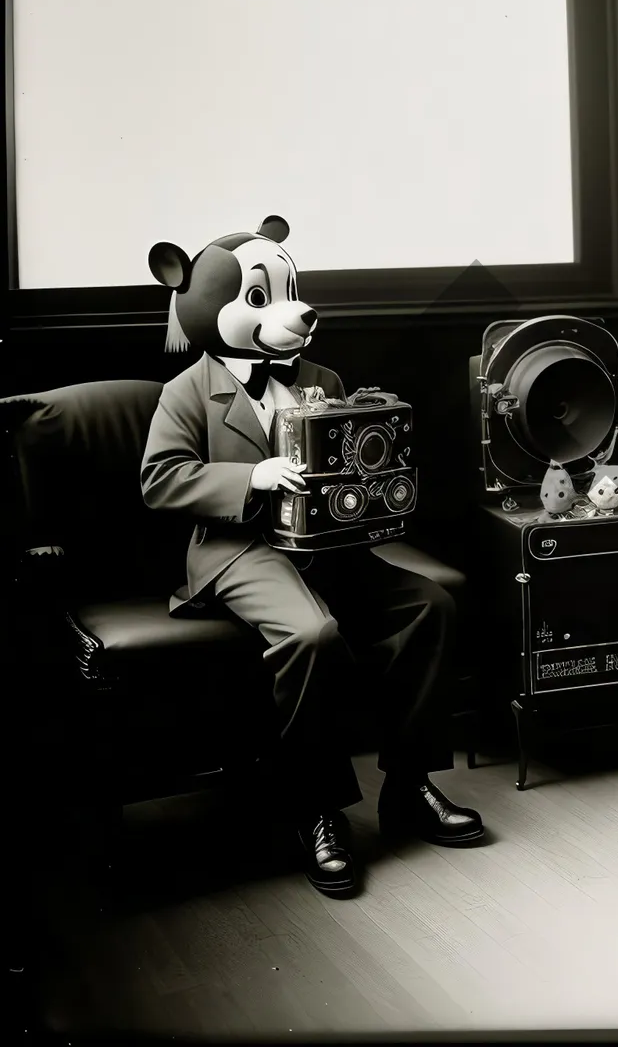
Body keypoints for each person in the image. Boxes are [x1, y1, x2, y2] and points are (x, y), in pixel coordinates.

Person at [140, 217, 485, 899]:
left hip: (328, 548)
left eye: (290, 292)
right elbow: (160, 479)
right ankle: (315, 810)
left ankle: (409, 785)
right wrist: (252, 479)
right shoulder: (187, 391)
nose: (294, 311)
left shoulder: (322, 376)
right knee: (312, 633)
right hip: (239, 551)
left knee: (431, 606)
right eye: (265, 297)